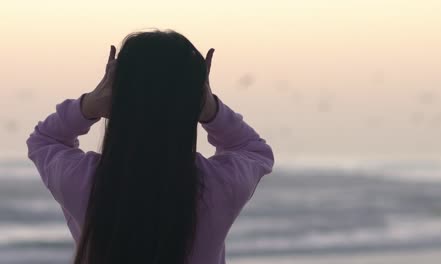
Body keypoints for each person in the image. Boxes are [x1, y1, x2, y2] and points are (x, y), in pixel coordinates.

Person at [25, 29, 274, 264]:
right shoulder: (219, 184)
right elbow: (253, 149)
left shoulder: (84, 180)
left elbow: (45, 139)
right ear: (197, 95)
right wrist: (211, 110)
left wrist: (91, 103)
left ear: (117, 92)